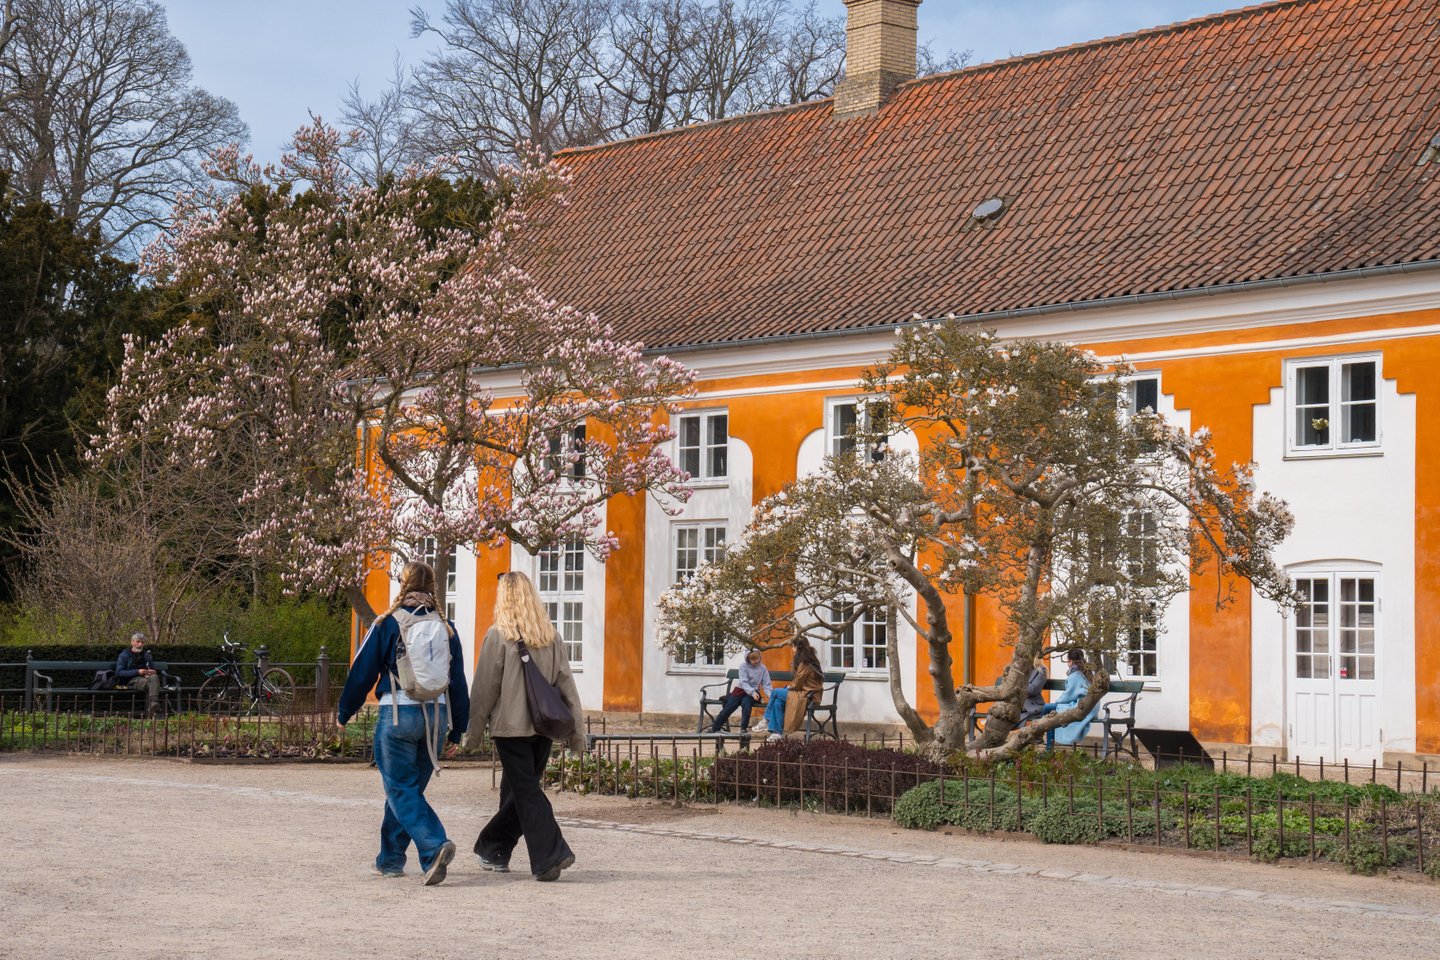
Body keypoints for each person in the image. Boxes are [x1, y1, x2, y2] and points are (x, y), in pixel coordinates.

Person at [337, 561, 470, 885]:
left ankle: (435, 845)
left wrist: (345, 712)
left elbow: (361, 672)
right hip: (436, 717)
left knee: (400, 789)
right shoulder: (446, 627)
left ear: (403, 584)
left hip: (399, 713)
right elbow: (458, 682)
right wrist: (458, 727)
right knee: (407, 791)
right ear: (433, 587)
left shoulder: (387, 623)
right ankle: (390, 859)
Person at [466, 571, 586, 882]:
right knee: (520, 791)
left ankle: (548, 856)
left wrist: (473, 734)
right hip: (544, 727)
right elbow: (567, 687)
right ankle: (494, 848)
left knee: (524, 792)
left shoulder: (498, 635)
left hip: (511, 729)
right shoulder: (550, 636)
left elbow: (483, 690)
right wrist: (576, 734)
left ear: (504, 599)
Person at [766, 636, 825, 742]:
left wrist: (789, 686)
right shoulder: (809, 660)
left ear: (797, 648)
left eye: (793, 647)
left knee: (775, 692)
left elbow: (797, 684)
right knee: (778, 702)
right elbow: (798, 682)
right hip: (803, 693)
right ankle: (777, 734)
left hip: (808, 696)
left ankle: (766, 719)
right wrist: (789, 686)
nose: (792, 650)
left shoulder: (805, 664)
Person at [1036, 648, 1091, 748]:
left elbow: (1069, 695)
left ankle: (1041, 738)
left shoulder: (1075, 674)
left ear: (1070, 661)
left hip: (1079, 706)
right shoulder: (1086, 672)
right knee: (1051, 712)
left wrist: (1057, 702)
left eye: (1067, 660)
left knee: (1046, 708)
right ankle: (1046, 743)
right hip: (1086, 706)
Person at [708, 648, 771, 734]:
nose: (756, 661)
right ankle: (715, 727)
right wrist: (752, 692)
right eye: (753, 659)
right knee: (729, 706)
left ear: (760, 656)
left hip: (752, 693)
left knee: (746, 705)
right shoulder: (743, 666)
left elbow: (766, 684)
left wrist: (770, 694)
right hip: (740, 690)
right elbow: (744, 682)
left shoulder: (763, 669)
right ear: (748, 659)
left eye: (757, 658)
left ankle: (743, 729)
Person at [1018, 655, 1049, 724]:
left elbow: (1032, 690)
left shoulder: (1041, 670)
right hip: (1017, 704)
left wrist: (1018, 685)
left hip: (1031, 705)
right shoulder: (1020, 669)